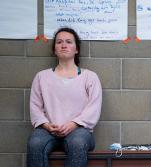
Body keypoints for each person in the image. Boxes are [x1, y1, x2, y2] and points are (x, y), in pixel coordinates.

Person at [27, 27, 102, 167]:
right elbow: (35, 107)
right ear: (54, 49)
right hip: (47, 131)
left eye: (69, 42)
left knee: (77, 143)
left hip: (80, 132)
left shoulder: (89, 77)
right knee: (35, 143)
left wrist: (73, 124)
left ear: (76, 49)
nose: (63, 45)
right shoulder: (41, 77)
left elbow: (94, 108)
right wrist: (47, 125)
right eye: (59, 42)